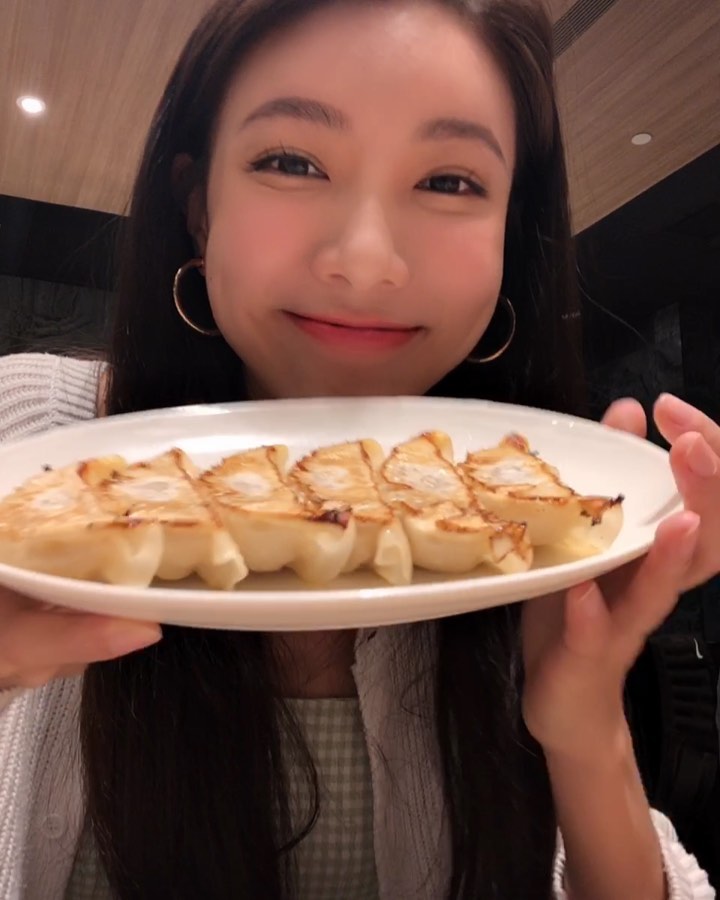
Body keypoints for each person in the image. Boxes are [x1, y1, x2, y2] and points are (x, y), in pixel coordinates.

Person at [0, 1, 717, 898]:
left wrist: (584, 723)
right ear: (198, 206)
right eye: (291, 161)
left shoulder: (531, 521)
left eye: (450, 180)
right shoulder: (26, 437)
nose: (368, 261)